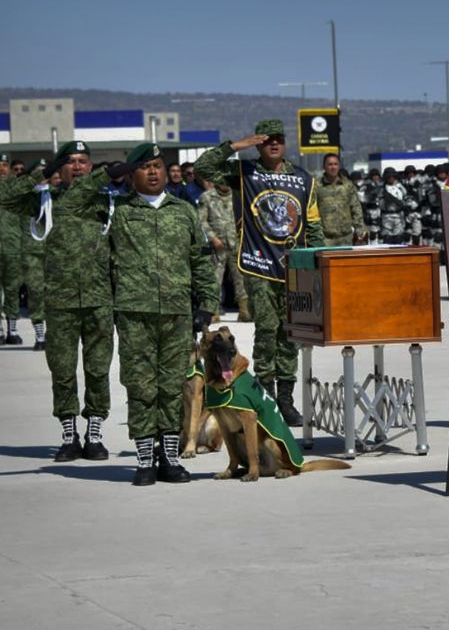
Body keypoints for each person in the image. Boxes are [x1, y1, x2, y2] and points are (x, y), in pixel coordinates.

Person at [59, 143, 219, 485]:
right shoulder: (115, 209)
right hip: (133, 315)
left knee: (172, 388)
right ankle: (146, 459)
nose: (152, 172)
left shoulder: (183, 211)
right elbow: (71, 201)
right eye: (144, 167)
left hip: (177, 314)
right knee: (141, 387)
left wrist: (207, 304)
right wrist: (105, 174)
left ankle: (171, 459)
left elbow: (201, 259)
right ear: (131, 175)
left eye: (158, 166)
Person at [194, 119, 326, 426]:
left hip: (294, 266)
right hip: (259, 265)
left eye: (278, 139)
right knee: (267, 329)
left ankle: (286, 400)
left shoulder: (303, 179)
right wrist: (236, 147)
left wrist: (317, 262)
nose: (273, 144)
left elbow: (314, 224)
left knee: (290, 332)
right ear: (259, 143)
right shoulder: (245, 173)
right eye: (267, 140)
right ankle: (265, 396)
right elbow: (202, 168)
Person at [0, 141, 115, 462]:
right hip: (60, 301)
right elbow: (5, 197)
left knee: (97, 369)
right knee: (62, 370)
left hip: (98, 300)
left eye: (82, 161)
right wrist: (40, 174)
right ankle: (68, 433)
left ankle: (94, 432)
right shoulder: (44, 200)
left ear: (90, 166)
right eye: (69, 161)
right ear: (59, 168)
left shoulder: (106, 200)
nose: (77, 167)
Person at [197, 178, 252, 322]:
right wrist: (212, 238)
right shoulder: (207, 197)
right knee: (215, 278)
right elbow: (201, 221)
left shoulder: (239, 196)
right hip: (217, 245)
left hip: (237, 243)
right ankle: (213, 310)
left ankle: (244, 310)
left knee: (241, 278)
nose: (225, 182)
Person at [21, 159, 48, 349]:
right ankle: (40, 336)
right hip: (32, 252)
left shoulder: (58, 195)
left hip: (56, 253)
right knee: (36, 293)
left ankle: (52, 334)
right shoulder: (24, 198)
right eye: (39, 173)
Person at [0, 152, 25, 344]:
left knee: (12, 289)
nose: (2, 168)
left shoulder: (17, 189)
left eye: (4, 165)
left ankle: (13, 330)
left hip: (13, 247)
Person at [317, 153, 367, 246]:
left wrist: (360, 230)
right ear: (324, 166)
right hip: (325, 238)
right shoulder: (317, 186)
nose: (333, 167)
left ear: (339, 166)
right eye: (330, 164)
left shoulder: (348, 185)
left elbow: (356, 208)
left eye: (336, 164)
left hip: (346, 237)